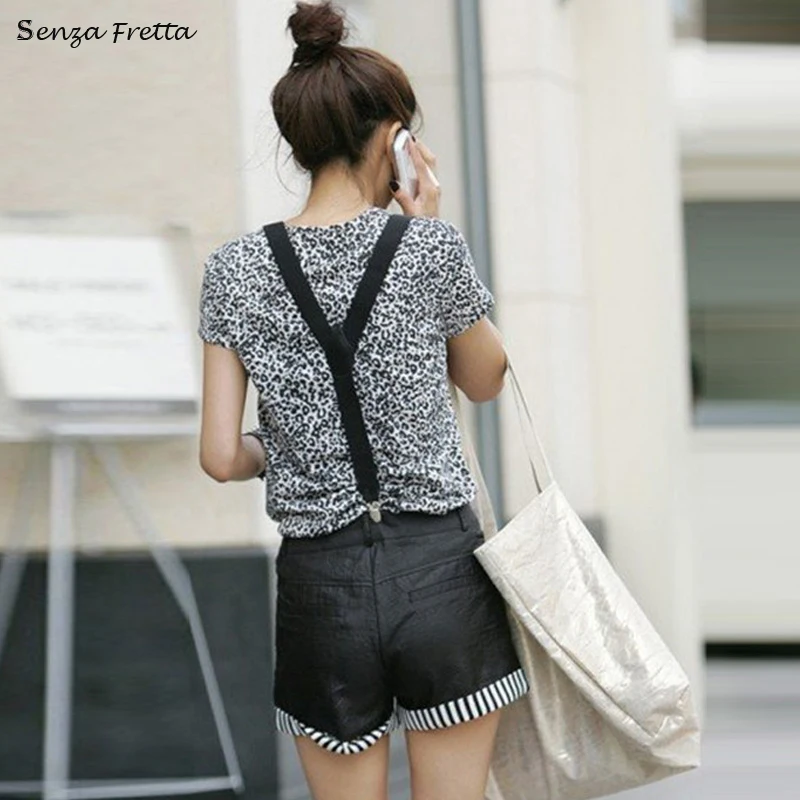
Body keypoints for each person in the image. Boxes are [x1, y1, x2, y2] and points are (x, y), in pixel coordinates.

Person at [197, 3, 528, 798]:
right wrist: (429, 225)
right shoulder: (428, 247)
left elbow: (219, 457)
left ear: (298, 141)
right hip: (442, 574)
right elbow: (486, 379)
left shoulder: (234, 269)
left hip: (320, 588)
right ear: (394, 140)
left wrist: (283, 445)